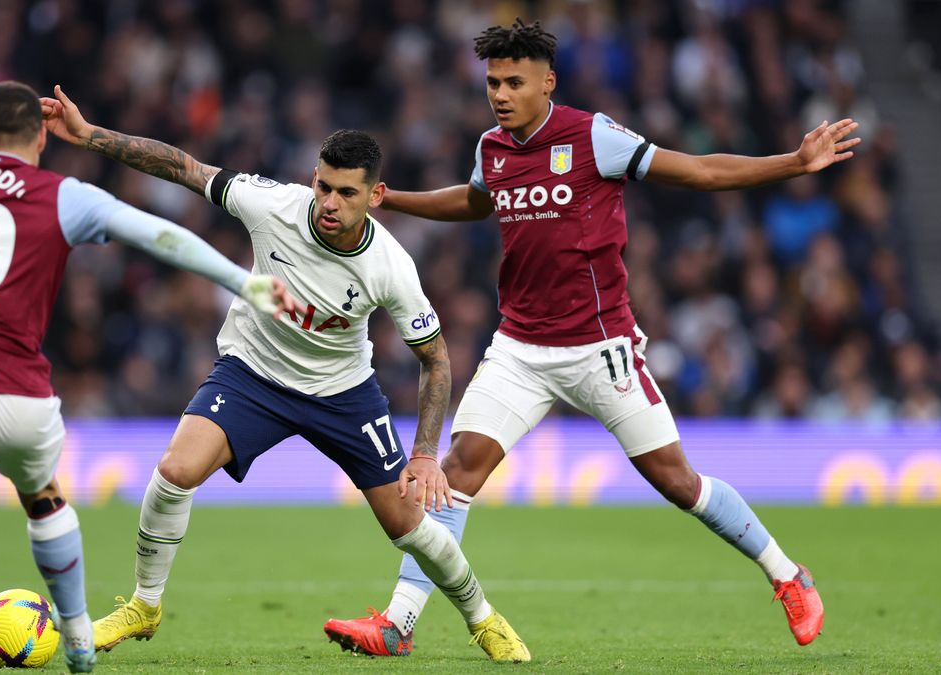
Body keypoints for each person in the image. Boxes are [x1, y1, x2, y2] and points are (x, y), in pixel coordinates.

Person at [325, 18, 858, 655]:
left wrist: (793, 164)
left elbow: (699, 172)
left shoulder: (592, 135)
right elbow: (473, 203)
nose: (499, 93)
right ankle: (397, 625)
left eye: (514, 82)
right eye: (493, 81)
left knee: (678, 482)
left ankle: (788, 574)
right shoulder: (491, 148)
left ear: (547, 83)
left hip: (600, 348)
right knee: (456, 472)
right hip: (520, 348)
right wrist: (394, 199)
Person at [0, 80, 293, 675]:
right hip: (24, 398)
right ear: (41, 136)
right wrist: (243, 282)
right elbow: (159, 236)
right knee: (43, 501)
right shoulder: (65, 196)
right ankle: (76, 636)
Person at [40, 86, 531, 663]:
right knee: (175, 470)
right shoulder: (271, 203)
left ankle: (481, 617)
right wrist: (90, 134)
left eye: (347, 193)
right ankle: (144, 606)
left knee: (407, 521)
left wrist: (425, 451)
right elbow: (183, 167)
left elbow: (436, 359)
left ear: (373, 196)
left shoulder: (391, 266)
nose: (329, 202)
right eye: (323, 186)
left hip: (342, 393)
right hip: (252, 375)